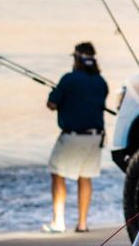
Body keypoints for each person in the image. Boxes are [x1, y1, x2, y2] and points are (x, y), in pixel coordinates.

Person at [44, 42, 109, 233]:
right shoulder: (101, 82)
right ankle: (82, 224)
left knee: (57, 174)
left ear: (77, 59)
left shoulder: (69, 79)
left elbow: (52, 104)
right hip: (95, 137)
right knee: (85, 177)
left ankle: (58, 222)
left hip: (73, 136)